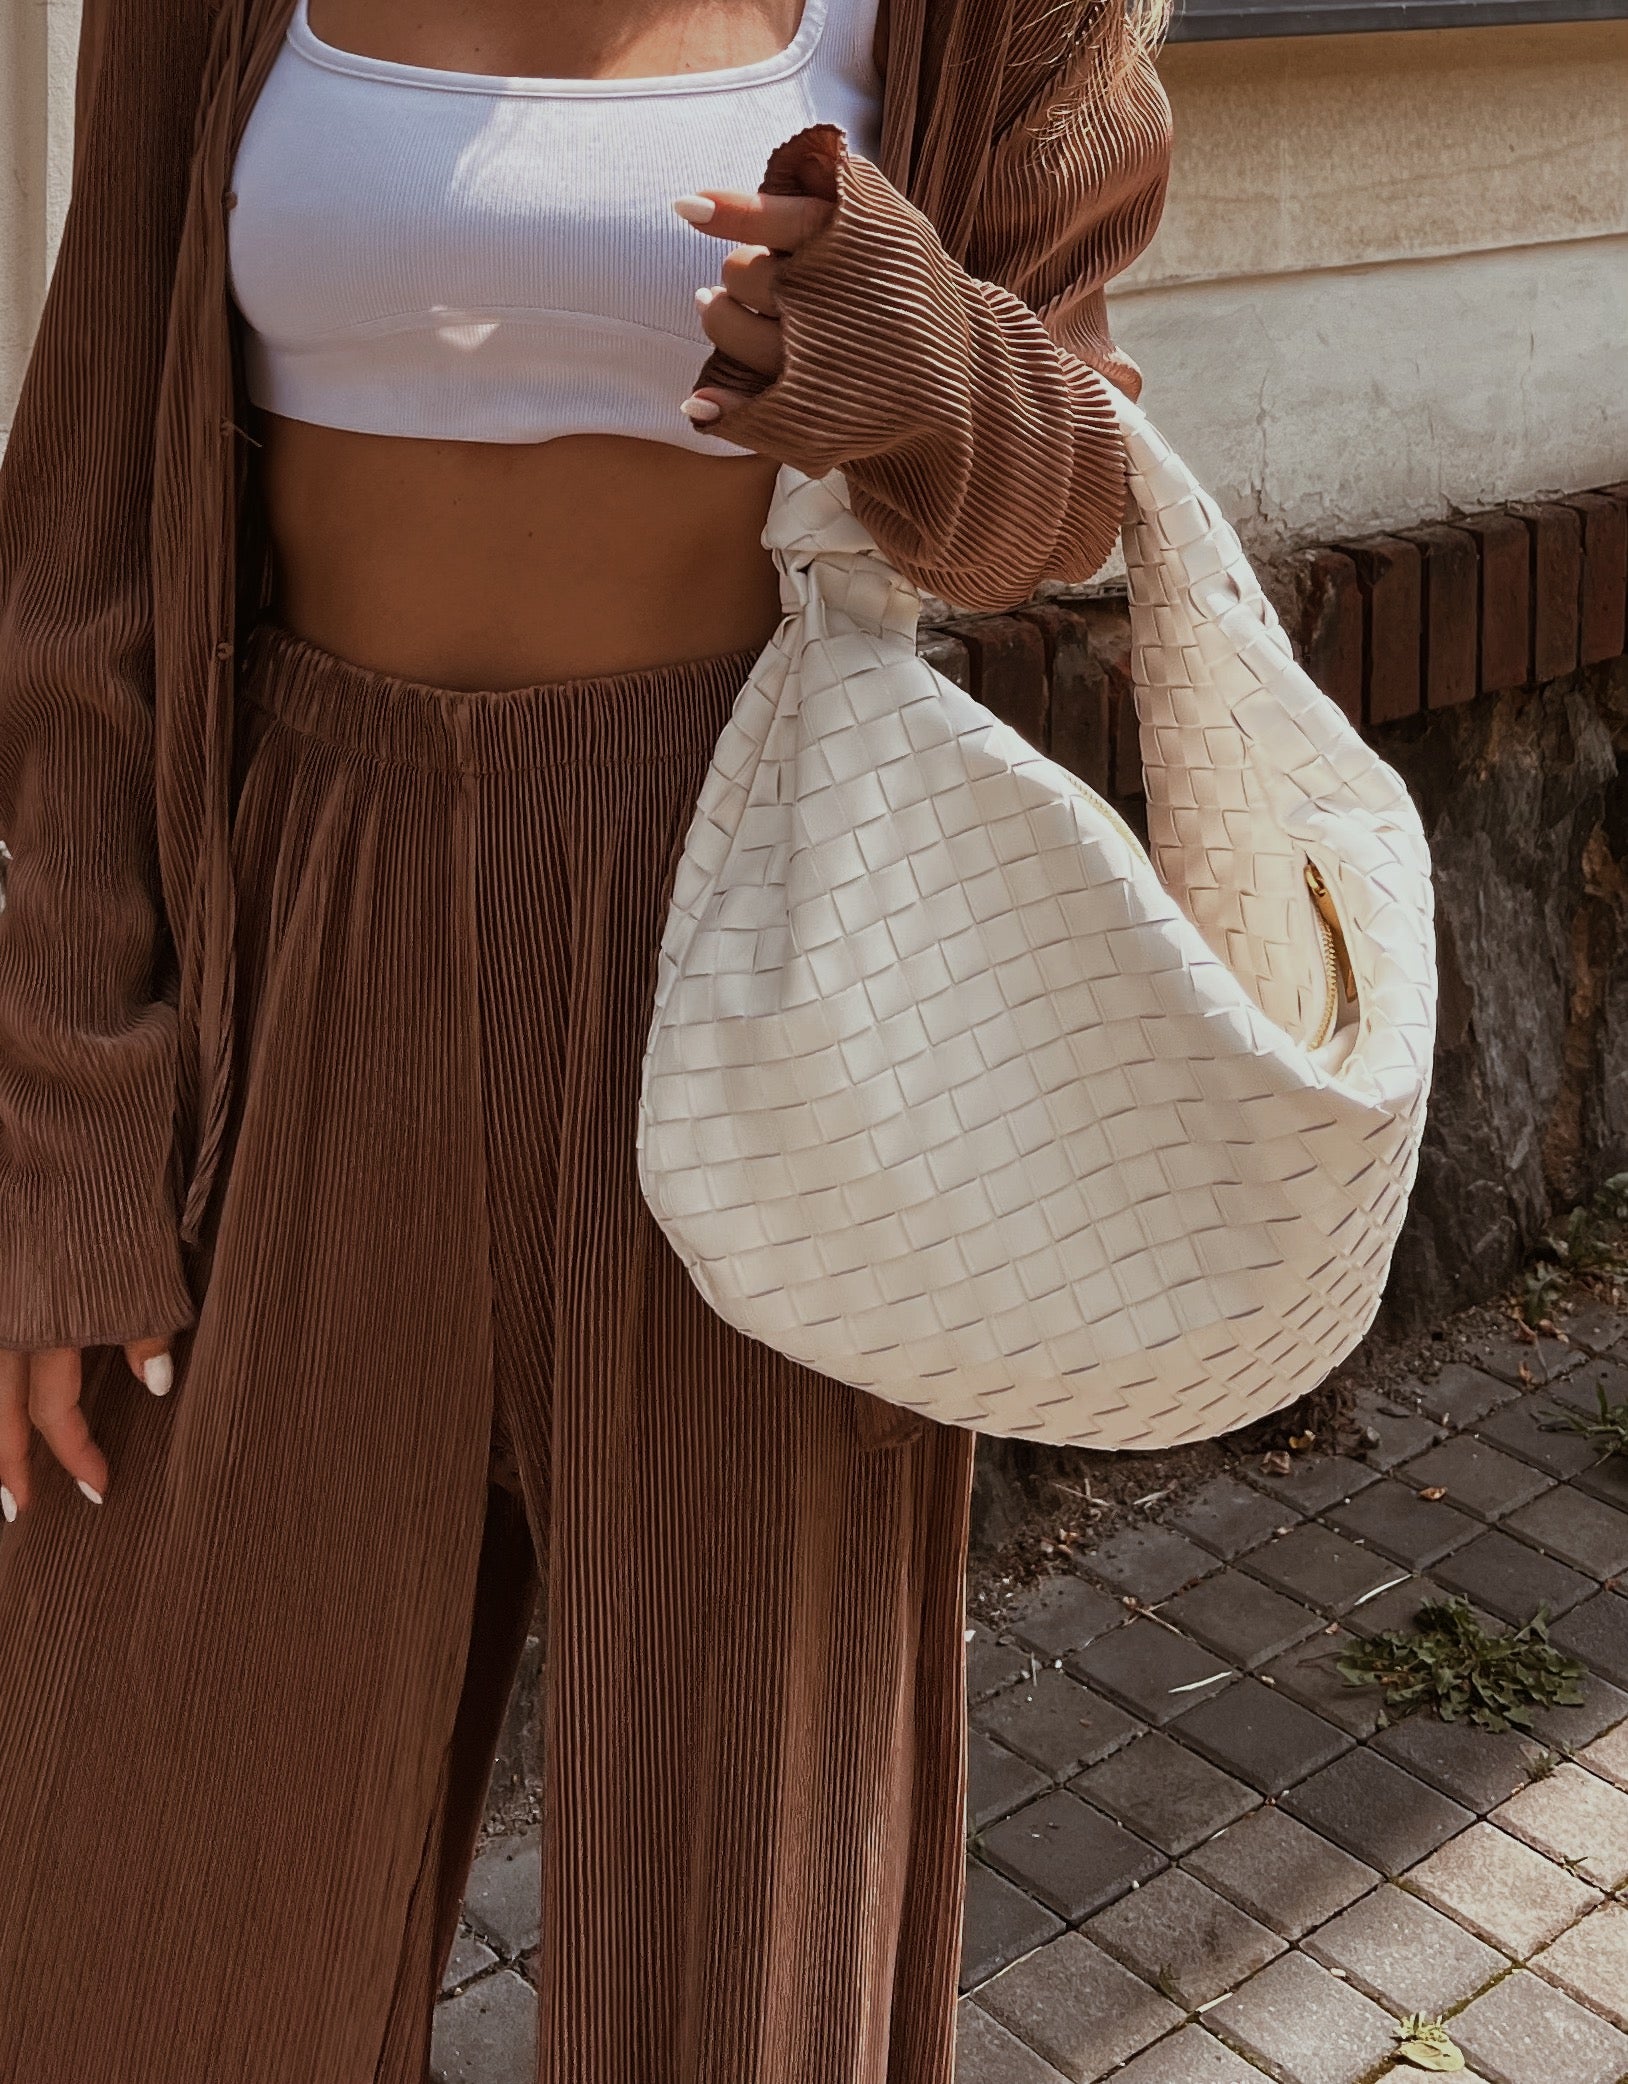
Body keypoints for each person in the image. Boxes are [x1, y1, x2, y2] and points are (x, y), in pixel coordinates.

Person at [0, 0, 1171, 2075]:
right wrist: (66, 1129)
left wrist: (899, 335)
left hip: (746, 946)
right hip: (294, 924)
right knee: (149, 1914)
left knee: (737, 1936)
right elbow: (82, 542)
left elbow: (1065, 502)